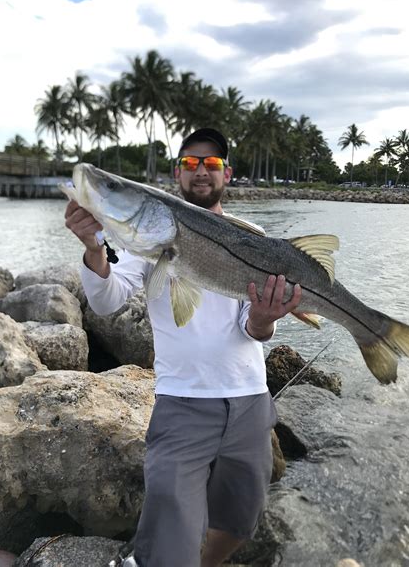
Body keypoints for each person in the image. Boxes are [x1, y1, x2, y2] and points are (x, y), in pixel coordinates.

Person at [65, 128, 302, 567]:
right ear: (177, 171)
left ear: (226, 174)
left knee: (239, 519)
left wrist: (265, 319)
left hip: (249, 397)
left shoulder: (253, 235)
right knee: (170, 535)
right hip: (182, 402)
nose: (200, 172)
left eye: (211, 164)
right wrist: (93, 247)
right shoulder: (149, 237)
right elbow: (107, 300)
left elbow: (252, 330)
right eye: (191, 163)